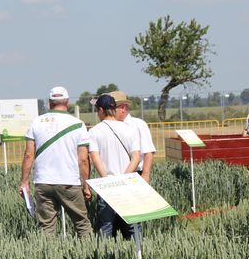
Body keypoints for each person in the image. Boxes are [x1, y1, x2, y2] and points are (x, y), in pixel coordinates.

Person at [18, 86, 92, 238]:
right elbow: (83, 159)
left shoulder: (36, 122)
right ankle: (90, 257)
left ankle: (45, 258)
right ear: (67, 102)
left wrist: (24, 182)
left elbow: (28, 155)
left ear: (49, 103)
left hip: (43, 182)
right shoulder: (78, 124)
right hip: (69, 182)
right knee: (82, 224)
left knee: (46, 227)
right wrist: (86, 185)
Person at [88, 94, 140, 239]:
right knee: (132, 227)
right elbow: (136, 157)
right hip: (128, 184)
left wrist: (106, 179)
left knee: (105, 228)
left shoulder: (94, 132)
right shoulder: (130, 129)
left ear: (100, 110)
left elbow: (95, 158)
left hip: (106, 185)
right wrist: (124, 178)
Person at [110, 90, 156, 183]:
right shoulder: (109, 126)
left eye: (111, 108)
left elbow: (148, 152)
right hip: (114, 176)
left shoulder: (138, 124)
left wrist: (145, 175)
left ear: (123, 108)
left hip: (136, 175)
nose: (108, 111)